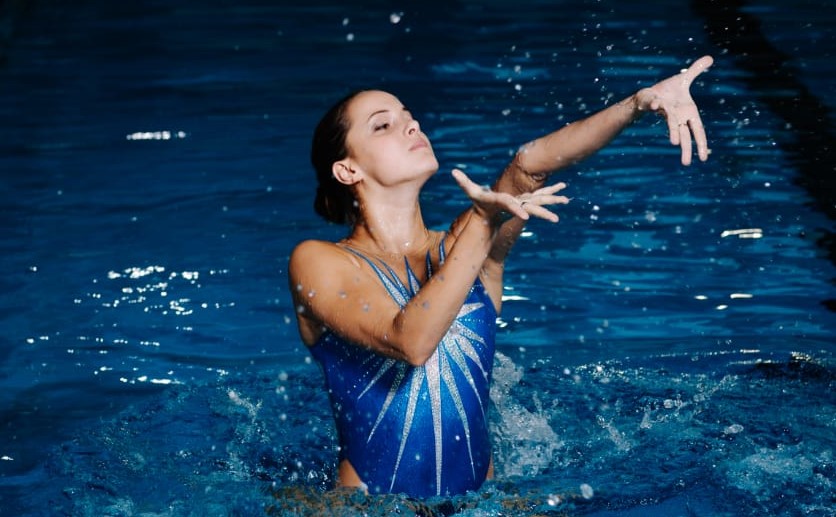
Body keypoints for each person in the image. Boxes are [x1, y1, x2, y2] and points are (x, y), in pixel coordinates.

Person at [288, 55, 714, 498]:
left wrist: (640, 102)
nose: (411, 126)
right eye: (383, 125)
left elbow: (529, 165)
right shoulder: (319, 261)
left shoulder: (471, 241)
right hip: (369, 509)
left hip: (490, 505)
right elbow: (410, 342)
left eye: (409, 117)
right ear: (348, 170)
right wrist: (482, 221)